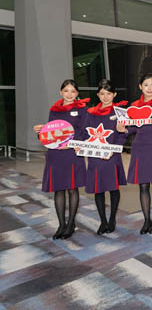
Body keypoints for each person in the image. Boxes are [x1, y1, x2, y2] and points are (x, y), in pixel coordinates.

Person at [33, 79, 89, 240]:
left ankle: (71, 224)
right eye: (66, 91)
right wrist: (40, 131)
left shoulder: (82, 109)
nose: (69, 94)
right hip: (55, 154)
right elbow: (51, 132)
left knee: (72, 188)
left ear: (77, 93)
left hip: (72, 153)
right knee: (58, 189)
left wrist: (70, 143)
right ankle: (61, 225)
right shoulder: (54, 110)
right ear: (61, 92)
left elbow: (85, 132)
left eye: (73, 91)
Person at [80, 79, 128, 235]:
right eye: (102, 94)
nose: (105, 97)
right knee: (98, 190)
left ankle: (112, 219)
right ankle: (103, 221)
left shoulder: (120, 112)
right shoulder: (90, 113)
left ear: (114, 94)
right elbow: (84, 133)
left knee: (113, 189)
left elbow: (123, 135)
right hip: (95, 157)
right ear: (98, 95)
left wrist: (112, 150)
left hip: (112, 157)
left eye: (109, 93)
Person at [124, 73, 152, 234]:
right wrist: (124, 129)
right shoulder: (134, 106)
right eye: (146, 85)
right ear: (140, 87)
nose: (149, 88)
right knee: (143, 185)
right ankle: (146, 219)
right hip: (140, 148)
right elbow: (132, 127)